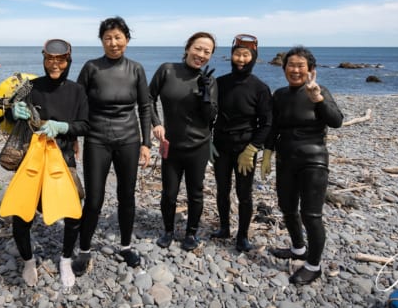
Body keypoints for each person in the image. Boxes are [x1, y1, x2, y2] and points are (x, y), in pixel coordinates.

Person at [72, 17, 152, 274]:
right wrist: (73, 136)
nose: (113, 42)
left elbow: (145, 107)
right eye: (108, 38)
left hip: (129, 139)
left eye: (118, 37)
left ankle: (126, 246)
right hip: (97, 139)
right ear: (102, 41)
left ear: (126, 40)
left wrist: (146, 143)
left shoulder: (136, 69)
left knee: (126, 196)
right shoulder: (91, 67)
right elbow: (76, 102)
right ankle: (84, 250)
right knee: (94, 199)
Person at [8, 39, 89, 288]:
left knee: (74, 212)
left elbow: (86, 124)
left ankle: (65, 259)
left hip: (63, 158)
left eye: (61, 60)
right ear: (44, 59)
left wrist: (64, 127)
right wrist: (14, 110)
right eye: (50, 60)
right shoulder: (30, 86)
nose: (55, 65)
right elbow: (5, 106)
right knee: (22, 213)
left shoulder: (77, 91)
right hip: (31, 158)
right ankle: (29, 261)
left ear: (68, 61)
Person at [263, 46, 343, 285]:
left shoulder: (320, 92)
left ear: (310, 70)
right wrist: (267, 152)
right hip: (285, 159)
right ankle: (298, 249)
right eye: (291, 65)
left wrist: (317, 98)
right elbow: (273, 126)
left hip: (313, 161)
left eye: (300, 66)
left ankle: (313, 265)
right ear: (284, 67)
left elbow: (336, 121)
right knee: (287, 208)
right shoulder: (279, 95)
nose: (295, 70)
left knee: (311, 215)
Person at [149, 32, 218, 251]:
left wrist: (206, 94)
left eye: (207, 52)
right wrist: (156, 123)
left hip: (198, 147)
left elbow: (211, 117)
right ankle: (168, 231)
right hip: (172, 145)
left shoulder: (209, 80)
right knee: (169, 193)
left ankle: (191, 233)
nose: (201, 55)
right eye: (198, 48)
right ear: (188, 47)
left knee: (195, 192)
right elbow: (148, 98)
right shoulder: (167, 70)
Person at [211, 34, 272, 252]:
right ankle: (224, 228)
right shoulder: (220, 83)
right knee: (222, 189)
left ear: (254, 57)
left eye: (246, 55)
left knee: (244, 193)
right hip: (220, 146)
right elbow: (209, 114)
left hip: (245, 148)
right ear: (231, 55)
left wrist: (253, 148)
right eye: (238, 54)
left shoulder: (260, 88)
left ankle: (242, 236)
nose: (241, 59)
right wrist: (209, 140)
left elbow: (267, 123)